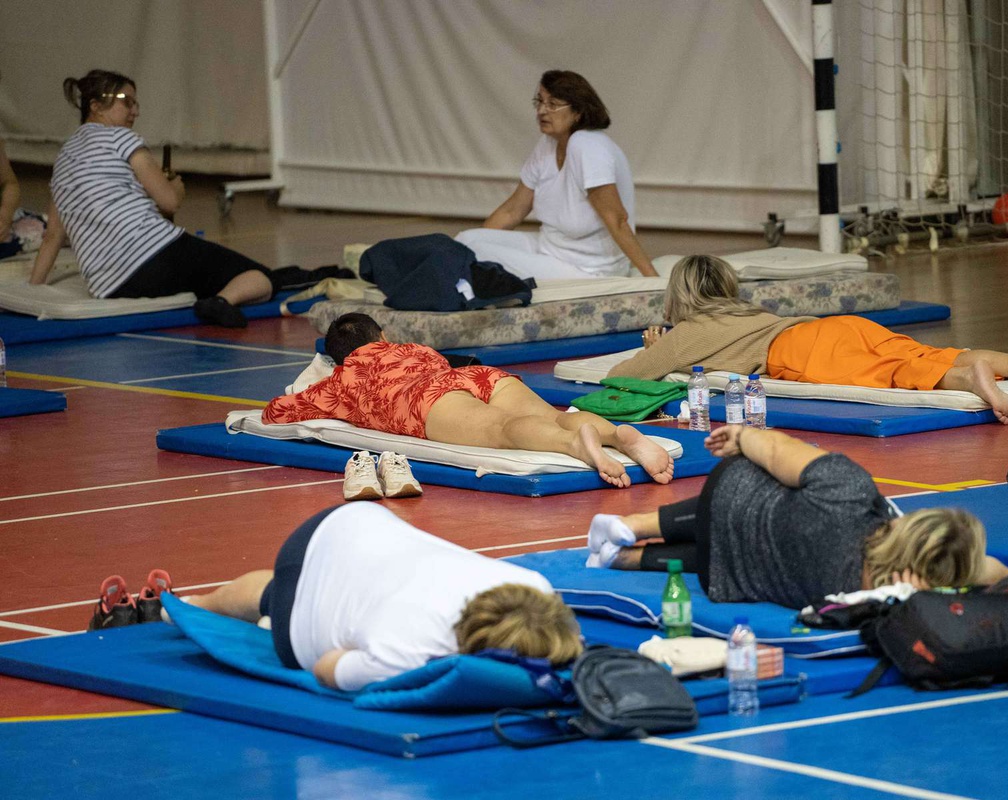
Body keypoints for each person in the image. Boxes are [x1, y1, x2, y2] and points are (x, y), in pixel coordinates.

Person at [586, 424, 1008, 610]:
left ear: (909, 529)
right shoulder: (889, 602)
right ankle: (626, 558)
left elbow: (777, 452)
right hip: (729, 580)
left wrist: (743, 436)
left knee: (745, 497)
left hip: (731, 501)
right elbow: (994, 572)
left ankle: (634, 526)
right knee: (740, 551)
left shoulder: (851, 493)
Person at [608, 255, 1008, 424]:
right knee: (923, 351)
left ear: (679, 297)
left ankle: (970, 380)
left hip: (800, 350)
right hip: (835, 325)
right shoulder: (749, 311)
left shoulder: (688, 333)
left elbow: (621, 377)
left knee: (889, 374)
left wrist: (657, 351)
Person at [186, 503, 583, 691]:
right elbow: (327, 667)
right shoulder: (408, 652)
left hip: (364, 521)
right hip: (311, 565)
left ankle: (200, 602)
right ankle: (191, 608)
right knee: (275, 594)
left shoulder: (536, 585)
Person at [263, 313, 674, 488]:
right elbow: (441, 368)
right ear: (382, 336)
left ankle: (574, 446)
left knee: (501, 431)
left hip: (422, 401)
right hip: (468, 375)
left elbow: (277, 412)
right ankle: (618, 437)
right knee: (552, 415)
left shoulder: (340, 380)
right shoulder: (413, 348)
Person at [28, 70, 276, 328]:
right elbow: (169, 202)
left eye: (136, 103)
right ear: (96, 106)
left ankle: (213, 296)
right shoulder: (121, 138)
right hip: (153, 256)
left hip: (108, 285)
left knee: (202, 270)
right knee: (260, 277)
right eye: (126, 101)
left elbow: (53, 236)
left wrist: (32, 294)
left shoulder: (63, 158)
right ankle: (220, 301)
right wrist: (176, 188)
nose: (134, 111)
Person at [455, 70, 656, 280]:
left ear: (578, 112)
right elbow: (512, 211)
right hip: (549, 248)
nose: (542, 110)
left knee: (471, 254)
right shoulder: (548, 144)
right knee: (465, 241)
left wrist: (652, 279)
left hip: (589, 268)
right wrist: (483, 240)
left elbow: (617, 219)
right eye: (540, 101)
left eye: (553, 104)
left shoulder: (588, 145)